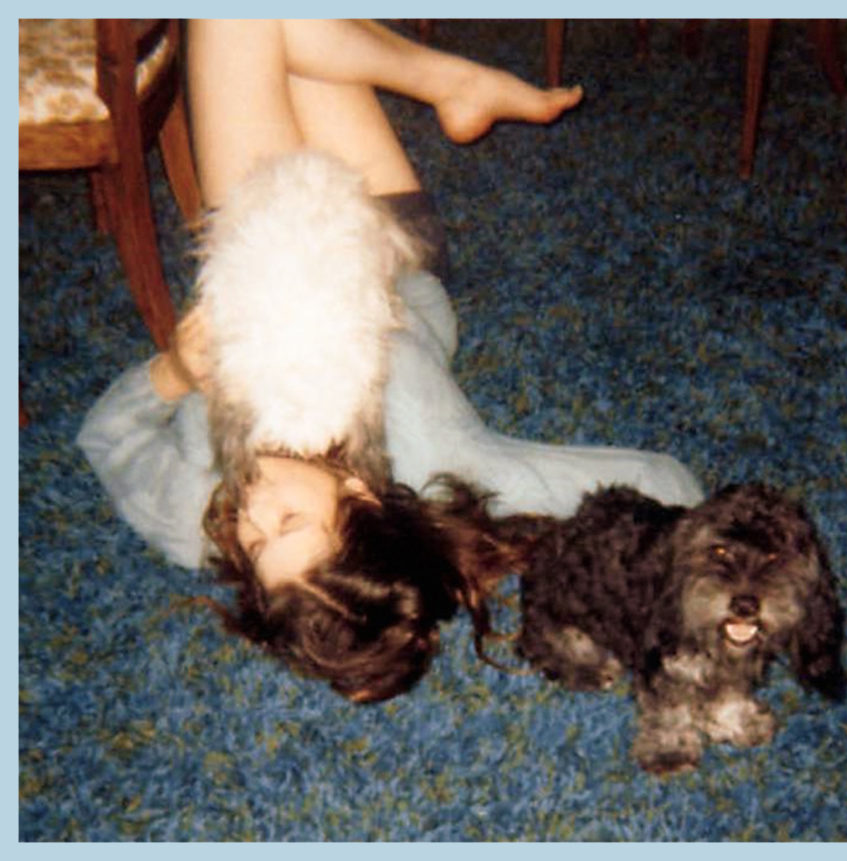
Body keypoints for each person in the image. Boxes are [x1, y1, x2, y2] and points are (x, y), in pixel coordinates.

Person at [78, 19, 704, 702]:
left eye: (257, 547)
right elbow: (663, 481)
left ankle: (457, 84)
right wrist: (675, 603)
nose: (254, 511)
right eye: (288, 522)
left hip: (267, 240)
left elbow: (106, 436)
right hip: (389, 252)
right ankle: (457, 85)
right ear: (360, 497)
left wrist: (171, 373)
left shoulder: (197, 516)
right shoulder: (443, 464)